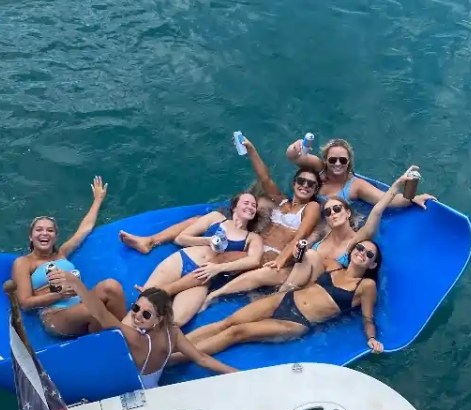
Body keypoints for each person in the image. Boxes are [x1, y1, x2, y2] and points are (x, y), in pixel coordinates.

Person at [201, 165, 414, 309]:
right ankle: (215, 295)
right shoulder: (322, 232)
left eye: (338, 209)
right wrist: (293, 252)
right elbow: (301, 250)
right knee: (263, 273)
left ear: (348, 212)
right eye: (329, 212)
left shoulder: (357, 242)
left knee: (306, 259)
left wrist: (396, 187)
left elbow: (376, 211)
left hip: (317, 288)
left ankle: (274, 298)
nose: (333, 214)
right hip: (297, 276)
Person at [177, 235, 386, 358]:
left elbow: (367, 317)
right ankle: (173, 345)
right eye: (360, 248)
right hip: (285, 298)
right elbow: (305, 259)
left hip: (297, 321)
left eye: (369, 255)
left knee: (237, 332)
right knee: (227, 322)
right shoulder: (332, 265)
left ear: (372, 265)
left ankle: (175, 359)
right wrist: (296, 253)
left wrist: (372, 338)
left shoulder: (365, 285)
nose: (362, 253)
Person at [118, 136, 321, 261]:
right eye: (301, 181)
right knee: (198, 219)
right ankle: (151, 241)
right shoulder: (281, 201)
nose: (305, 185)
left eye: (311, 184)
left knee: (213, 257)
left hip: (257, 248)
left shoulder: (311, 207)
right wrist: (250, 149)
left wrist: (282, 260)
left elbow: (300, 237)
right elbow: (264, 177)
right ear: (294, 183)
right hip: (251, 233)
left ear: (315, 190)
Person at [60, 274, 237, 387]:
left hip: (131, 390)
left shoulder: (136, 339)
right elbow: (202, 359)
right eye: (135, 308)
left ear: (159, 318)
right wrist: (236, 374)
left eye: (146, 314)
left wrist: (77, 284)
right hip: (153, 386)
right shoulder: (172, 332)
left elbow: (102, 315)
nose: (137, 316)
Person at [10, 176, 126, 337]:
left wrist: (98, 200)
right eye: (39, 230)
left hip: (81, 303)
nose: (44, 233)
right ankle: (126, 335)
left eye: (50, 230)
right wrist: (59, 295)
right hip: (56, 315)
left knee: (111, 286)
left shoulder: (62, 253)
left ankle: (119, 335)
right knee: (91, 309)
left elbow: (84, 229)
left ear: (55, 237)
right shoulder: (24, 262)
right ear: (31, 237)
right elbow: (25, 303)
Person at [138, 192, 264, 327]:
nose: (250, 207)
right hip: (184, 259)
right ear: (234, 207)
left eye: (254, 205)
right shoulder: (216, 218)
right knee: (144, 302)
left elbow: (254, 260)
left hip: (204, 278)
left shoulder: (252, 238)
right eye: (246, 203)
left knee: (175, 322)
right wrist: (207, 240)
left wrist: (218, 268)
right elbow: (181, 238)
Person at [285, 137, 435, 208]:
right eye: (333, 160)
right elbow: (294, 157)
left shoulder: (356, 186)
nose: (337, 164)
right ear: (325, 160)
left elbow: (386, 200)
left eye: (342, 160)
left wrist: (412, 198)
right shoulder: (319, 168)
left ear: (349, 161)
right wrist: (295, 147)